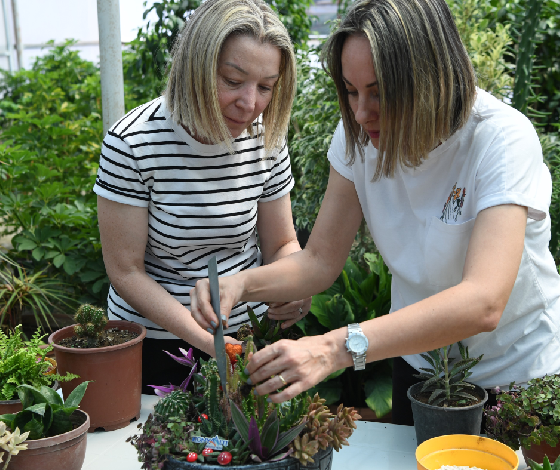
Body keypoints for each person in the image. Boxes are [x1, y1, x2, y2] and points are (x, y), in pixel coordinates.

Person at [190, 0, 560, 426]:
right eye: (351, 91)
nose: (361, 112)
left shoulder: (500, 140)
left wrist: (331, 349)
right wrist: (240, 285)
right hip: (422, 372)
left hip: (517, 378)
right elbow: (319, 261)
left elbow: (483, 301)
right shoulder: (359, 136)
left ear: (431, 76)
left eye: (380, 91)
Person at [93, 0, 311, 394]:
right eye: (232, 80)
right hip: (157, 342)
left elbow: (281, 243)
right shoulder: (133, 142)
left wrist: (295, 286)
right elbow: (126, 271)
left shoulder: (265, 137)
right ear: (196, 65)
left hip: (248, 335)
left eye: (266, 87)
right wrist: (209, 341)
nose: (250, 104)